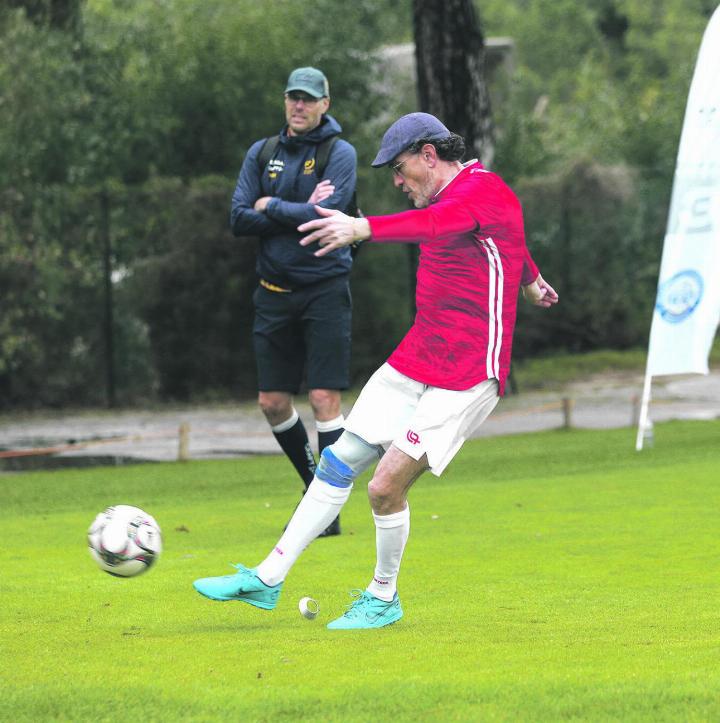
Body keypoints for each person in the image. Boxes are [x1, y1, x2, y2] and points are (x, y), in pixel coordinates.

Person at [195, 112, 559, 628]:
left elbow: (439, 226)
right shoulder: (450, 197)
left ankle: (383, 598)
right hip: (417, 356)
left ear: (429, 156)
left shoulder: (480, 192)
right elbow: (512, 243)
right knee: (337, 460)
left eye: (400, 167)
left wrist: (361, 227)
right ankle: (267, 578)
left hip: (468, 371)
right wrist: (532, 280)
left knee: (384, 487)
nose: (395, 180)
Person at [230, 67, 358, 537]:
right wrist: (294, 209)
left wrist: (270, 206)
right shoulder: (262, 153)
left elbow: (328, 215)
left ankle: (327, 508)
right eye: (292, 98)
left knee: (324, 398)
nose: (298, 106)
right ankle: (316, 494)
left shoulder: (338, 153)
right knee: (271, 401)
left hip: (325, 289)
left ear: (326, 103)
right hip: (273, 294)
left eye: (308, 99)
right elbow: (238, 218)